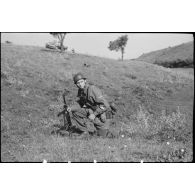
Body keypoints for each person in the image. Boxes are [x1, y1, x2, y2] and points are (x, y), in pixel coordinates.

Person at [67, 73, 114, 139]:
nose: (80, 84)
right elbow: (81, 104)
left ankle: (109, 133)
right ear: (76, 84)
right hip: (93, 111)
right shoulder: (80, 91)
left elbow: (105, 105)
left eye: (81, 82)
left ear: (85, 81)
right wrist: (71, 108)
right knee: (76, 112)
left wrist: (94, 114)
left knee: (102, 137)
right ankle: (84, 132)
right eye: (78, 83)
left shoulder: (92, 89)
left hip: (103, 114)